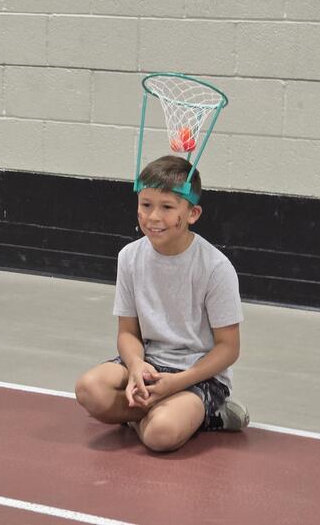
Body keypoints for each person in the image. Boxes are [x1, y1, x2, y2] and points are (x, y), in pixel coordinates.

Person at [74, 156, 249, 453]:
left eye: (167, 207)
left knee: (161, 434)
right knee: (89, 389)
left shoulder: (215, 267)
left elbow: (228, 349)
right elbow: (127, 333)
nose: (153, 217)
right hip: (149, 364)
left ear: (192, 213)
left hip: (198, 376)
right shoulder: (129, 257)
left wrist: (177, 383)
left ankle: (210, 413)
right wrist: (136, 366)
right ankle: (154, 411)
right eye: (146, 205)